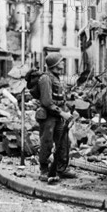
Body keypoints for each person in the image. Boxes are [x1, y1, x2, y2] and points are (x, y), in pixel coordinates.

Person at [36, 52, 76, 184]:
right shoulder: (45, 79)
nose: (63, 63)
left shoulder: (57, 78)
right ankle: (44, 170)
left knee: (64, 142)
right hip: (49, 117)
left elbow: (60, 99)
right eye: (61, 61)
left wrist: (68, 111)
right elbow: (47, 102)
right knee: (46, 142)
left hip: (58, 116)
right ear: (55, 64)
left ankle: (61, 168)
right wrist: (62, 113)